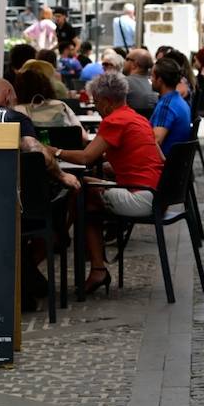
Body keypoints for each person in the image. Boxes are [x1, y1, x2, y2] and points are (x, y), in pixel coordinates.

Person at [0, 77, 78, 312]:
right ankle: (29, 280)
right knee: (53, 214)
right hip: (15, 208)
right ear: (7, 96)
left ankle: (27, 281)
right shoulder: (14, 118)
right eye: (13, 99)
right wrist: (62, 176)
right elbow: (37, 153)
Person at [56, 72, 165, 297]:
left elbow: (87, 158)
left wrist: (54, 151)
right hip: (157, 195)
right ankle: (95, 265)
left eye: (96, 103)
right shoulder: (137, 118)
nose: (96, 108)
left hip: (139, 198)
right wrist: (117, 166)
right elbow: (158, 159)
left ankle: (61, 237)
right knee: (87, 201)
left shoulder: (114, 120)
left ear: (105, 102)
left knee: (79, 187)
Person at [14, 63, 87, 142]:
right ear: (47, 86)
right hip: (68, 153)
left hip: (37, 153)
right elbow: (84, 137)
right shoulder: (61, 105)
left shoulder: (16, 111)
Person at [151, 58, 192, 155]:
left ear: (160, 80)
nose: (151, 80)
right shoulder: (180, 101)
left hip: (164, 164)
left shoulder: (166, 106)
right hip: (176, 162)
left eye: (152, 76)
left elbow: (156, 141)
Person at [124, 48, 158, 116]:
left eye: (127, 59)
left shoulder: (123, 83)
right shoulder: (155, 84)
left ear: (134, 64)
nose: (124, 62)